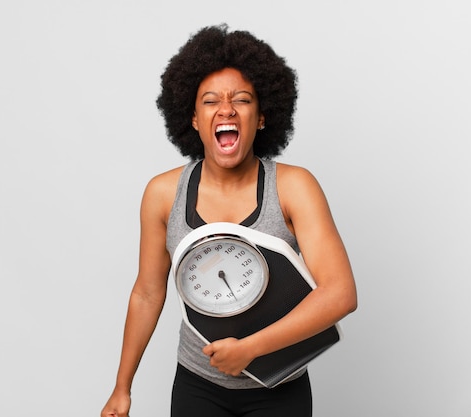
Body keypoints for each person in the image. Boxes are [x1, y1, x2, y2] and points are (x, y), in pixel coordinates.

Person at [101, 24, 357, 417]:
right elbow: (148, 293)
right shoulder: (162, 194)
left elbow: (340, 293)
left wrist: (251, 349)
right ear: (192, 118)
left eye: (241, 99)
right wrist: (122, 387)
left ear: (261, 118)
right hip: (197, 386)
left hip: (280, 385)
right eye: (210, 101)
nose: (226, 109)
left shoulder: (294, 186)